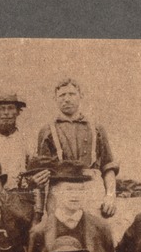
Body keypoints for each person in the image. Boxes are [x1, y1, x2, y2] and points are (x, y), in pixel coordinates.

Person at [26, 160, 116, 252]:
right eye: (69, 190)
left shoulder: (101, 228)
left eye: (80, 190)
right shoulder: (40, 232)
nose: (75, 195)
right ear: (55, 191)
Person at [35, 77, 119, 218]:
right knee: (61, 237)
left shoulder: (96, 128)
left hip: (92, 189)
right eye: (62, 95)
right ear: (55, 98)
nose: (66, 99)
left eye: (71, 94)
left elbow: (107, 167)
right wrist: (38, 214)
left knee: (94, 235)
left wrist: (110, 195)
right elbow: (42, 174)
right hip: (60, 191)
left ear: (81, 96)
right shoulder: (47, 130)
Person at [0, 91, 44, 220]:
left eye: (10, 108)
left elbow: (35, 173)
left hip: (21, 198)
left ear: (18, 112)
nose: (6, 113)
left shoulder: (27, 140)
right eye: (1, 109)